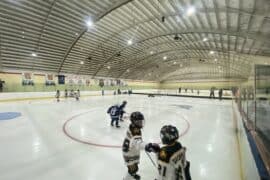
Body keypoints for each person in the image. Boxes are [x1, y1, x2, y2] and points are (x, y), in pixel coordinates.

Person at [122, 111, 159, 180]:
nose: (141, 123)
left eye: (141, 121)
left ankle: (132, 175)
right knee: (133, 169)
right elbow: (137, 142)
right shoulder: (134, 131)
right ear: (134, 122)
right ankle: (127, 178)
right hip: (129, 153)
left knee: (135, 166)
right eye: (139, 122)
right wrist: (147, 146)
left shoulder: (133, 126)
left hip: (132, 149)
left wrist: (126, 117)